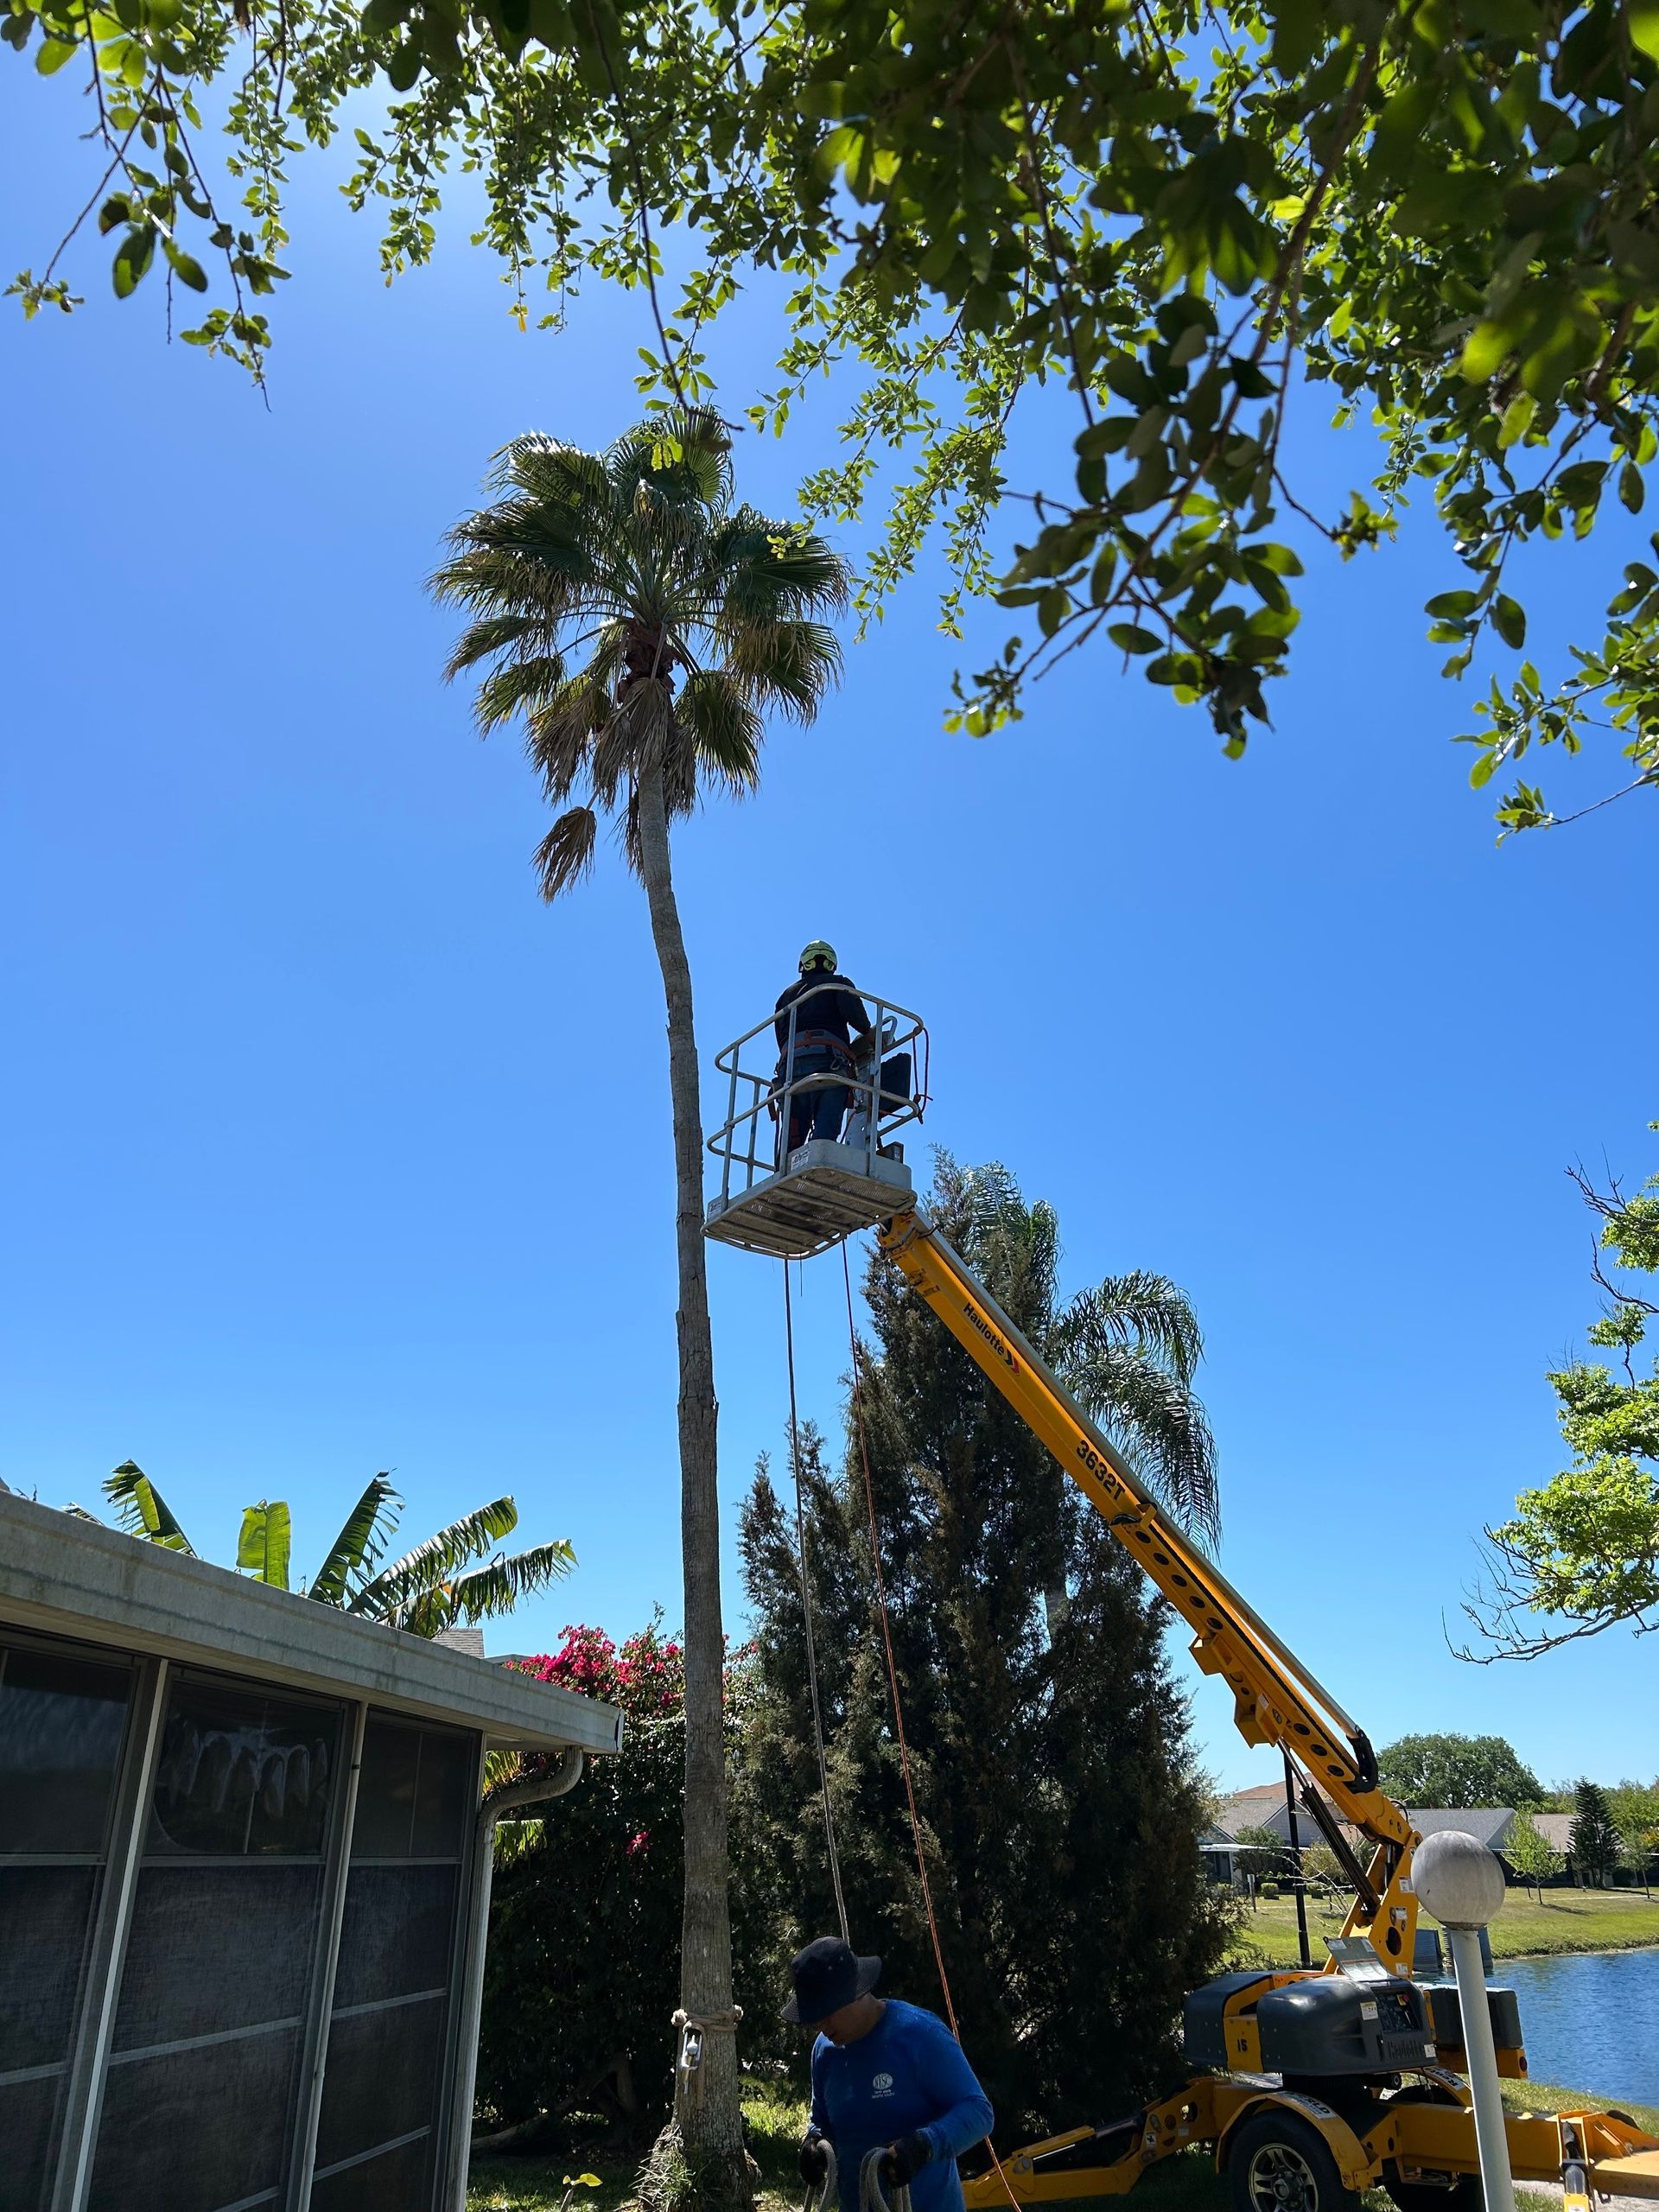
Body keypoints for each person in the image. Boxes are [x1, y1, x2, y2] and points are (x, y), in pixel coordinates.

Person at [785, 1936, 994, 2212]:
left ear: (855, 1993)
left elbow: (979, 2112)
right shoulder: (825, 2051)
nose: (820, 2026)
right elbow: (822, 2118)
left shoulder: (919, 2034)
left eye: (826, 2012)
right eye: (813, 2017)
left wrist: (925, 2145)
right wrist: (814, 2141)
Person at [774, 941, 872, 1154]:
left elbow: (781, 1039)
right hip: (829, 1063)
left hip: (791, 1067)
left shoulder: (786, 997)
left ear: (803, 965)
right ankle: (818, 1165)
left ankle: (786, 1169)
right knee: (825, 1133)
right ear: (831, 964)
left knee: (792, 1133)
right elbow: (862, 1024)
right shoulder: (838, 984)